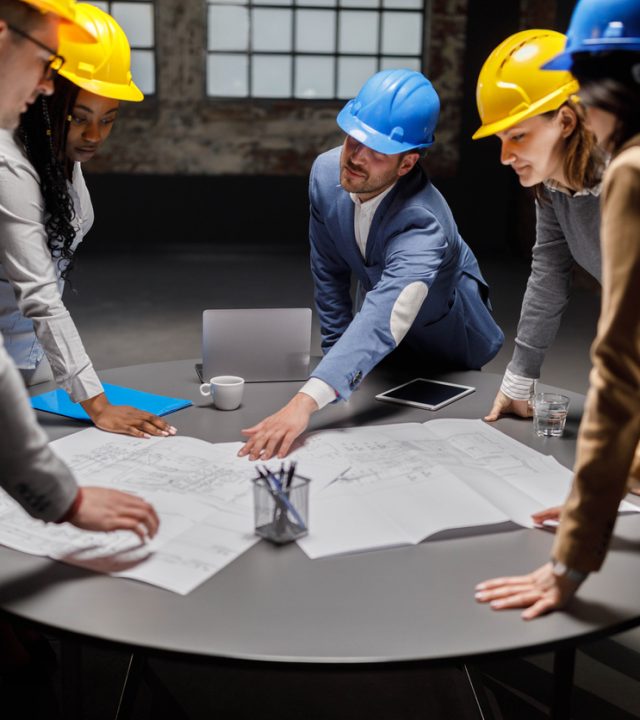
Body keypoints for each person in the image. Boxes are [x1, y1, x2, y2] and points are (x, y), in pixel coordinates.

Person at [239, 69, 504, 461]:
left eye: (377, 151)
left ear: (407, 163)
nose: (355, 158)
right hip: (376, 341)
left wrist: (304, 403)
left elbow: (387, 312)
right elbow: (329, 273)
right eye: (353, 139)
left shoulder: (424, 221)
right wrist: (334, 364)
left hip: (446, 344)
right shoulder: (326, 173)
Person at [475, 0, 640, 619]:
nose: (505, 154)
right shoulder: (559, 186)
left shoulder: (630, 171)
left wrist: (572, 556)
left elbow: (622, 370)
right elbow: (549, 274)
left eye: (518, 134)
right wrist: (521, 378)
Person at [0, 2, 176, 439]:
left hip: (35, 364)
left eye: (108, 120)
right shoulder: (10, 168)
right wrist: (98, 406)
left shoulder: (63, 163)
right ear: (47, 97)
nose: (94, 136)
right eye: (79, 118)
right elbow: (40, 295)